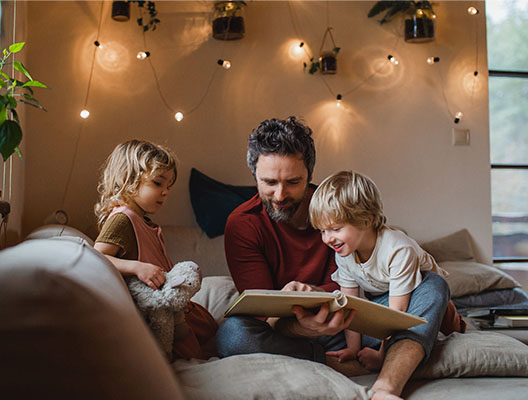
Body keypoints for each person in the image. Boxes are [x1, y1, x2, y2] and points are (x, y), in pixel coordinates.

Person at [216, 117, 449, 400]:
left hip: (357, 320)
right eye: (269, 182)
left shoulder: (338, 209)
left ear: (310, 173)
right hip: (294, 331)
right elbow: (264, 316)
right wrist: (301, 325)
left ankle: (387, 384)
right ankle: (342, 364)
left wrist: (318, 295)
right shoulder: (242, 224)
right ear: (254, 175)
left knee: (432, 285)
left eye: (292, 182)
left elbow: (376, 294)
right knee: (233, 334)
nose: (280, 195)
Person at [308, 170, 465, 374]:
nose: (327, 239)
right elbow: (349, 304)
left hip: (422, 295)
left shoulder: (397, 249)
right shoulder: (343, 253)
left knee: (451, 330)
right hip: (385, 298)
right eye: (322, 231)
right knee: (339, 322)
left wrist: (382, 356)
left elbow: (396, 314)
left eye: (335, 229)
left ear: (365, 219)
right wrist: (353, 349)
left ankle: (457, 327)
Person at [93, 139, 217, 361]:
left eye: (168, 185)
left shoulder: (143, 220)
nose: (166, 192)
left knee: (209, 324)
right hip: (155, 313)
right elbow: (97, 257)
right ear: (126, 180)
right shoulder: (123, 219)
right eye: (158, 183)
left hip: (170, 303)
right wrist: (136, 267)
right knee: (199, 342)